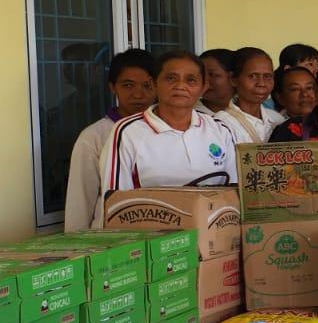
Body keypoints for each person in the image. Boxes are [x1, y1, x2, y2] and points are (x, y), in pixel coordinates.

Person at [101, 51, 238, 207]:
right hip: (153, 229)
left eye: (191, 80)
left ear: (203, 87)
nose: (180, 86)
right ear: (153, 84)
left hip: (214, 228)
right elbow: (115, 202)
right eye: (171, 78)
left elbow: (234, 193)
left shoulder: (220, 130)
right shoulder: (127, 132)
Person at [65, 49, 156, 231]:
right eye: (128, 85)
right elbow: (80, 200)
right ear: (112, 87)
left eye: (147, 86)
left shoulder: (168, 131)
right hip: (110, 237)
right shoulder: (94, 137)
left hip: (162, 232)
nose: (138, 94)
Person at [217, 48, 286, 145]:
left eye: (267, 76)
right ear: (233, 79)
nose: (261, 83)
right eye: (253, 76)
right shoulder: (222, 124)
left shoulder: (277, 120)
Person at [198, 48, 234, 115]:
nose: (205, 80)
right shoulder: (190, 113)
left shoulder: (245, 113)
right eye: (201, 74)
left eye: (212, 74)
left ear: (233, 78)